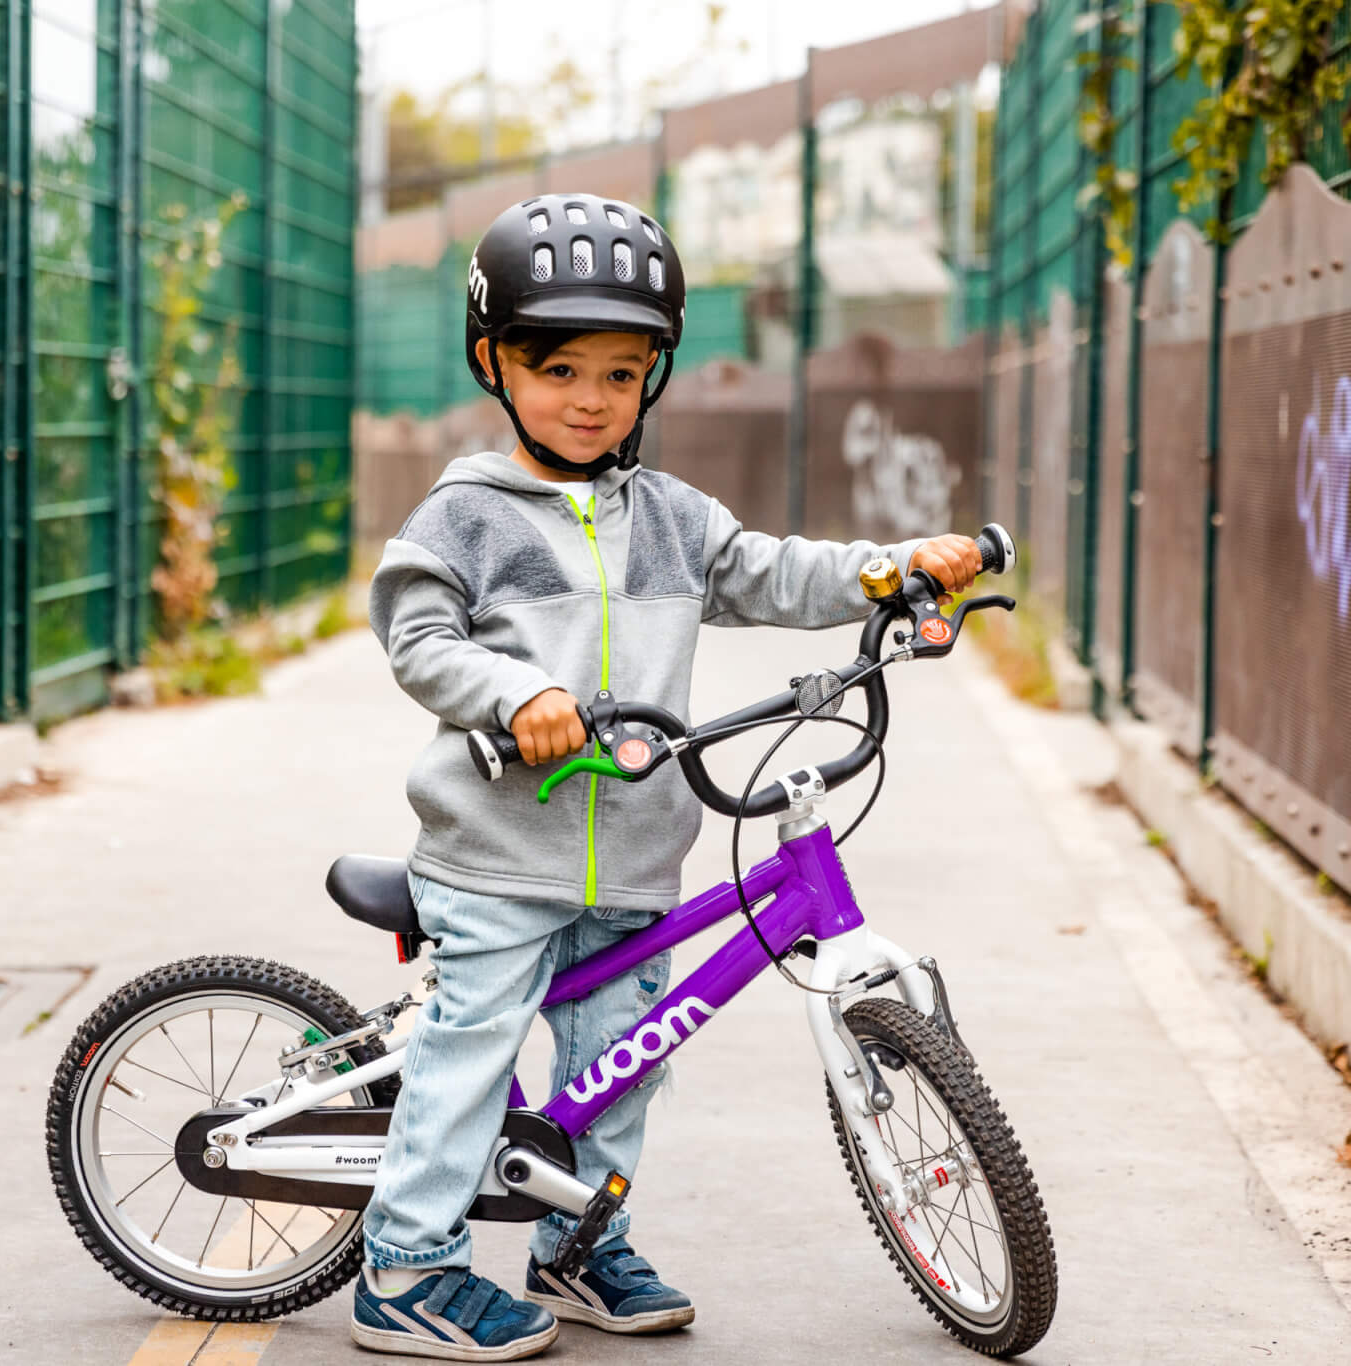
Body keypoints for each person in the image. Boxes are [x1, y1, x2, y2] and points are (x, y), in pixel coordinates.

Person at [353, 192, 984, 1361]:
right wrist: (516, 696)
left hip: (636, 856)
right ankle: (405, 1266)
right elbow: (417, 639)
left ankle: (578, 1242)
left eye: (619, 372)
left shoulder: (673, 518)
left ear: (653, 375)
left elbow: (778, 571)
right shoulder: (467, 514)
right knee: (471, 1051)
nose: (589, 399)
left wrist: (893, 569)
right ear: (494, 363)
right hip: (497, 860)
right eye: (557, 370)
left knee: (619, 1071)